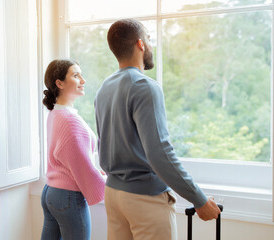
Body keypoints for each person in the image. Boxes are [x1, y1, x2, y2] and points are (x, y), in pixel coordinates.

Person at [94, 19, 221, 240]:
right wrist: (199, 199)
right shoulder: (145, 87)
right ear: (140, 44)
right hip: (144, 198)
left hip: (114, 194)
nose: (151, 45)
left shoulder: (105, 87)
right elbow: (160, 153)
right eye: (150, 39)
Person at [41, 59, 105, 240]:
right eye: (76, 76)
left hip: (51, 191)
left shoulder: (56, 113)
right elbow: (80, 163)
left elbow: (65, 156)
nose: (83, 81)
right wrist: (104, 179)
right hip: (67, 195)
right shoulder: (69, 119)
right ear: (59, 83)